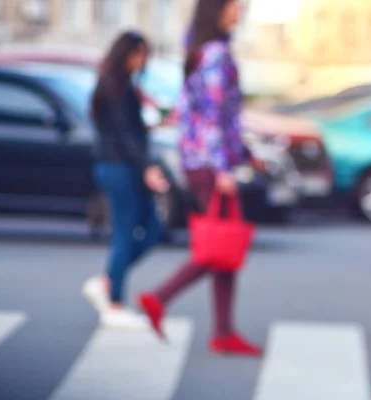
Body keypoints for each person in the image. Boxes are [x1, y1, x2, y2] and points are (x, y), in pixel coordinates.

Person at [138, 0, 262, 356]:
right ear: (218, 9)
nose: (241, 11)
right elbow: (212, 115)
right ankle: (158, 297)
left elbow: (215, 114)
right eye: (236, 5)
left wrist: (245, 153)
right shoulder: (214, 55)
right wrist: (224, 168)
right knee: (219, 244)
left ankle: (223, 331)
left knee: (225, 246)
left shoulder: (200, 51)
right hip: (209, 163)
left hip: (201, 159)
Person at [83, 31, 169, 330]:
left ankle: (107, 282)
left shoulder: (121, 86)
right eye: (138, 53)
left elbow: (130, 131)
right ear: (126, 54)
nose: (142, 60)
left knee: (153, 228)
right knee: (125, 234)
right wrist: (148, 166)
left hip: (124, 166)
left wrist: (155, 125)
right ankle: (114, 304)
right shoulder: (116, 87)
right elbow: (124, 136)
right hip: (120, 167)